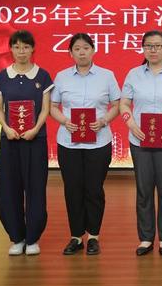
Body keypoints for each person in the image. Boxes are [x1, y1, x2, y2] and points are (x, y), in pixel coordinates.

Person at [119, 31, 162, 257]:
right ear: (143, 48)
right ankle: (146, 237)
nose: (153, 50)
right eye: (149, 46)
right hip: (140, 140)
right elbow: (124, 104)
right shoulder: (133, 74)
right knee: (144, 190)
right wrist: (131, 124)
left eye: (158, 46)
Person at [50, 33, 120, 256]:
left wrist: (104, 120)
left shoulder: (107, 76)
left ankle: (93, 237)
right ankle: (76, 236)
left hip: (98, 142)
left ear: (93, 50)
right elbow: (52, 106)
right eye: (77, 49)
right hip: (68, 143)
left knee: (94, 190)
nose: (82, 52)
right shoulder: (61, 77)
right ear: (70, 53)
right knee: (72, 189)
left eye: (86, 48)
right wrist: (65, 121)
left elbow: (117, 104)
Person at [0, 30, 53, 256]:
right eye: (17, 47)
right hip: (10, 140)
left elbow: (45, 108)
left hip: (35, 140)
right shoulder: (2, 77)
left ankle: (33, 238)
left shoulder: (42, 76)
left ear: (32, 49)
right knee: (9, 188)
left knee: (36, 188)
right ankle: (17, 237)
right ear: (11, 49)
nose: (21, 51)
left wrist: (35, 129)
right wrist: (6, 128)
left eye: (26, 47)